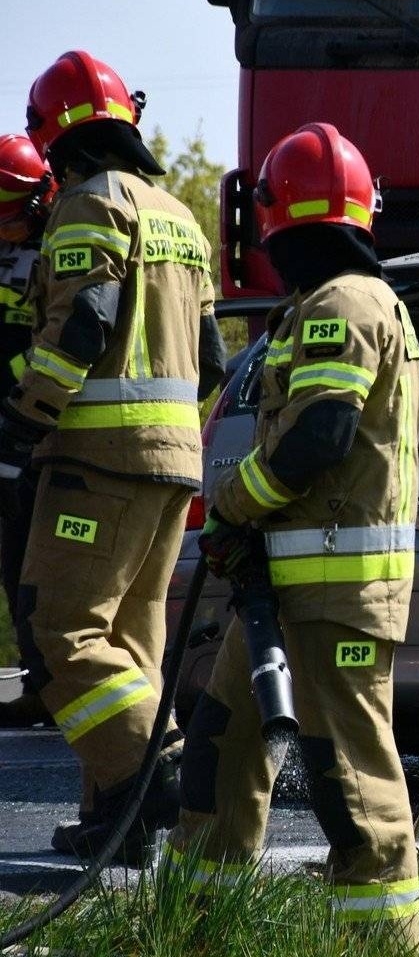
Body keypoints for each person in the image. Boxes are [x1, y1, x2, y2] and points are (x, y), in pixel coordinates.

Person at [167, 122, 419, 949]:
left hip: (336, 598)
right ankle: (195, 929)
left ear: (277, 221)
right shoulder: (329, 304)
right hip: (286, 594)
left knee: (350, 787)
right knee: (220, 752)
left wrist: (234, 507)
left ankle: (382, 945)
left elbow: (320, 437)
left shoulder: (343, 305)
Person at [0, 51, 225, 861]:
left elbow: (82, 325)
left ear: (53, 138)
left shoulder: (89, 204)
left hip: (97, 461)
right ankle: (117, 826)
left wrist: (24, 420)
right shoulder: (179, 216)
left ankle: (155, 772)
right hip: (173, 467)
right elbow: (213, 356)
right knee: (128, 647)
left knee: (58, 630)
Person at [0, 133, 54, 728]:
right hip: (8, 430)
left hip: (43, 427)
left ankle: (52, 682)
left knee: (47, 568)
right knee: (15, 562)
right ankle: (36, 680)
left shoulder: (66, 245)